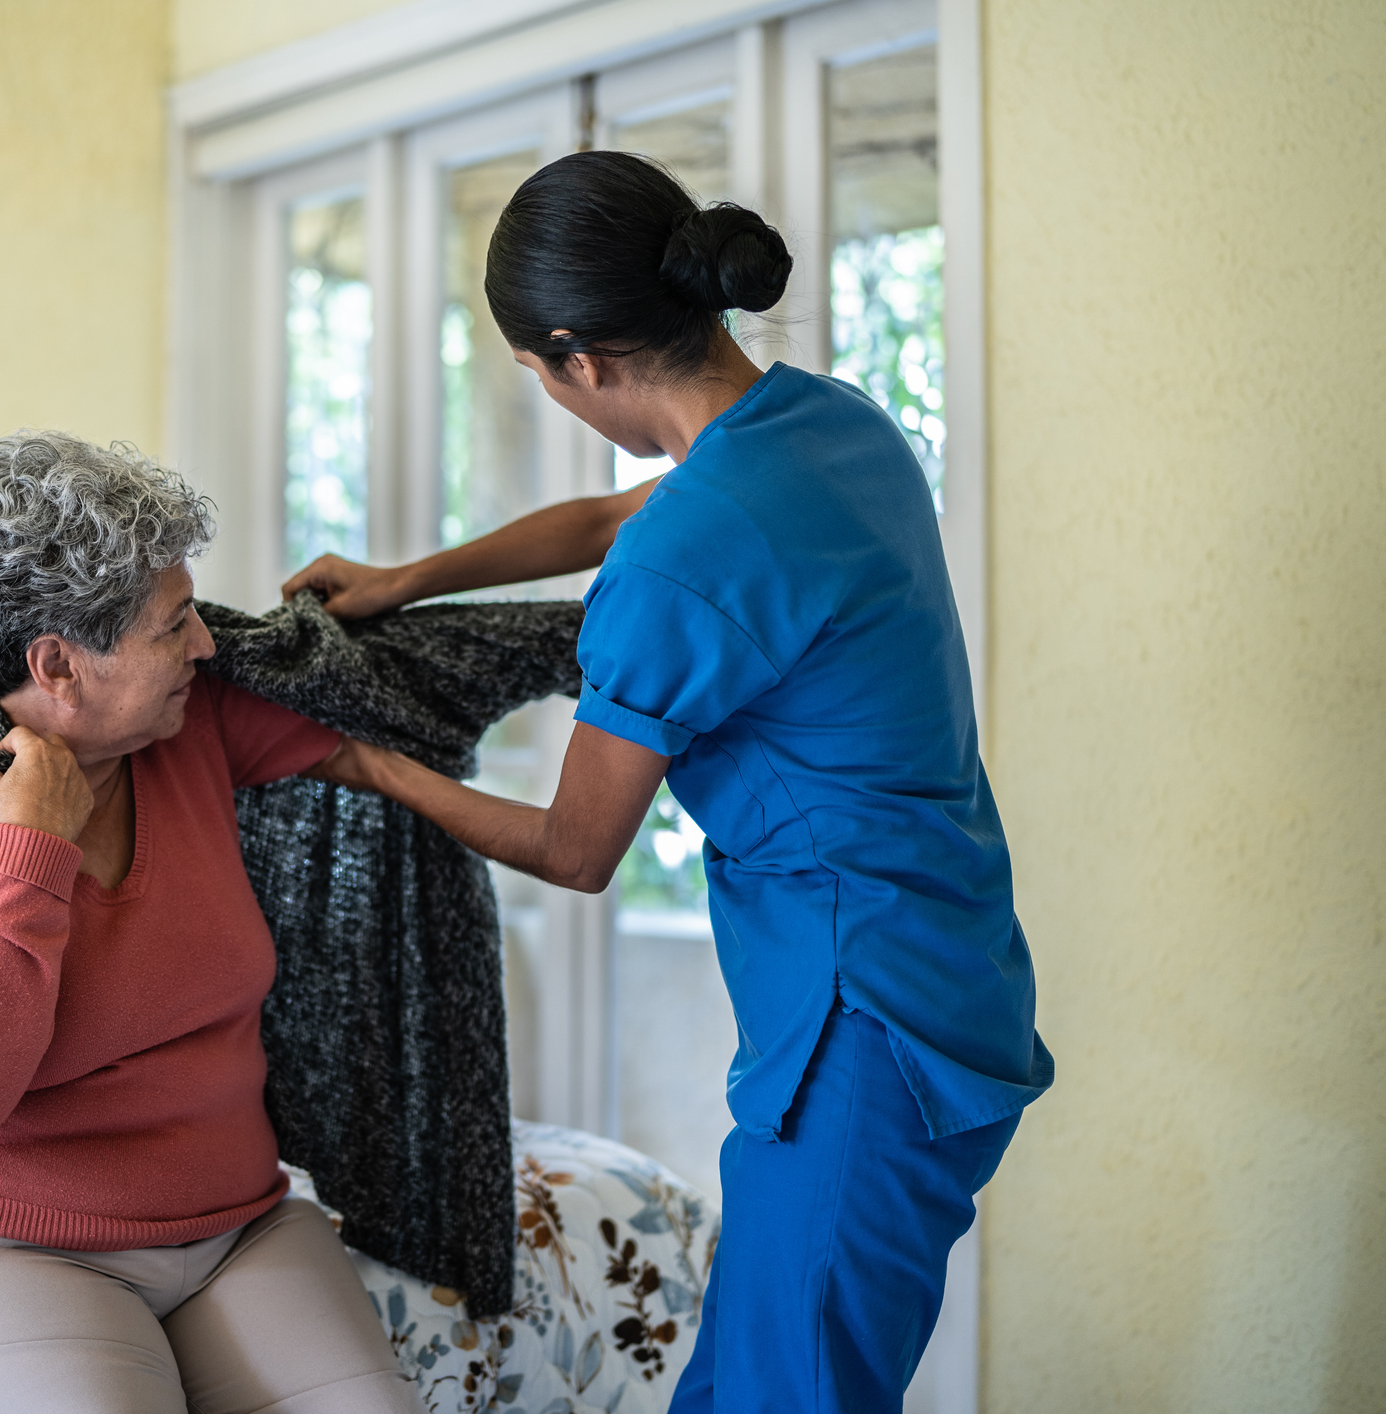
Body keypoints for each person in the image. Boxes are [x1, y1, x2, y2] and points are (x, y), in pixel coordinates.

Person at [291, 151, 1052, 1414]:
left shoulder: (680, 567)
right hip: (955, 980)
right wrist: (405, 578)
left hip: (858, 1039)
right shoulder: (826, 425)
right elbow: (609, 521)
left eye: (537, 374)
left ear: (578, 359)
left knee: (779, 1393)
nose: (549, 394)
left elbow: (575, 846)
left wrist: (369, 762)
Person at [0, 432, 422, 1414]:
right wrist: (32, 849)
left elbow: (401, 691)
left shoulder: (187, 729)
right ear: (58, 663)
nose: (206, 644)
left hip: (235, 1229)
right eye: (172, 623)